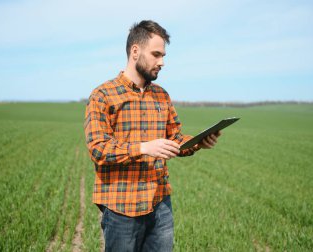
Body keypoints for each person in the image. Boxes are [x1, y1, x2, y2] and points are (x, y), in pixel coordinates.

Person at [84, 20, 221, 252]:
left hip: (160, 205)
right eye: (156, 54)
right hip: (121, 209)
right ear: (135, 51)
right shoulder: (102, 95)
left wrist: (198, 142)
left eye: (163, 55)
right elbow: (98, 148)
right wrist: (144, 148)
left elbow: (174, 139)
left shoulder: (161, 96)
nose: (162, 62)